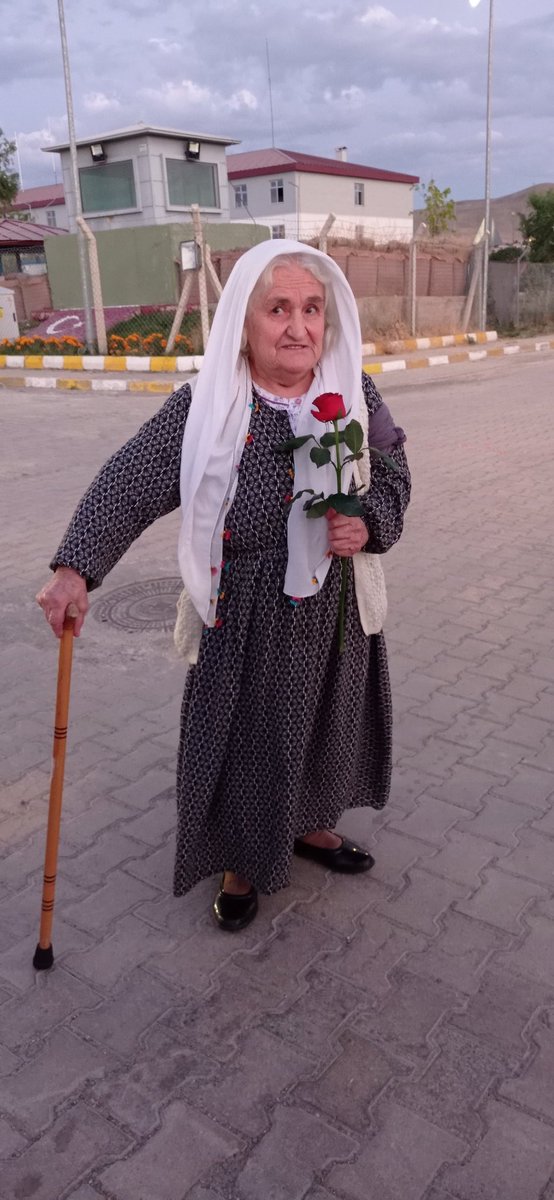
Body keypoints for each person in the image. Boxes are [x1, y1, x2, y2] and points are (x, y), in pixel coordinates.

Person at [36, 239, 410, 933]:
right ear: (243, 320)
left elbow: (395, 476)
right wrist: (73, 569)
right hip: (244, 615)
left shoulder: (356, 396)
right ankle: (242, 857)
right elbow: (127, 485)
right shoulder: (206, 406)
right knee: (246, 737)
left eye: (311, 309)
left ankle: (308, 826)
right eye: (278, 309)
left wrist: (369, 520)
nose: (298, 327)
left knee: (325, 722)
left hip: (331, 606)